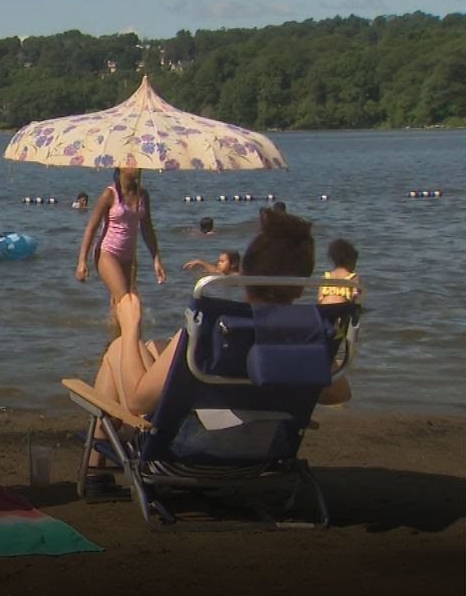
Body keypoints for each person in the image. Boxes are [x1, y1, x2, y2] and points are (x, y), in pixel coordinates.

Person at [83, 207, 351, 498]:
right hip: (257, 461)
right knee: (151, 350)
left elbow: (136, 401)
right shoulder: (302, 339)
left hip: (181, 458)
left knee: (120, 348)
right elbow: (339, 393)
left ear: (244, 273)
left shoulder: (211, 332)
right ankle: (96, 472)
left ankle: (96, 469)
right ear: (300, 288)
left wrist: (130, 326)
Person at [75, 167, 166, 325]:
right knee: (126, 302)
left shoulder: (143, 195)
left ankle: (115, 341)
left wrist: (156, 259)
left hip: (129, 257)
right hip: (107, 253)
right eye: (133, 164)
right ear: (121, 167)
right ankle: (127, 341)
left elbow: (147, 229)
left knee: (125, 302)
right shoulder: (110, 194)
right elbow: (91, 227)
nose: (138, 167)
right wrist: (82, 261)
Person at [319, 238, 362, 306]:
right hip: (341, 310)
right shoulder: (353, 278)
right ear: (351, 261)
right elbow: (357, 301)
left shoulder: (325, 277)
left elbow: (320, 299)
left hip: (323, 310)